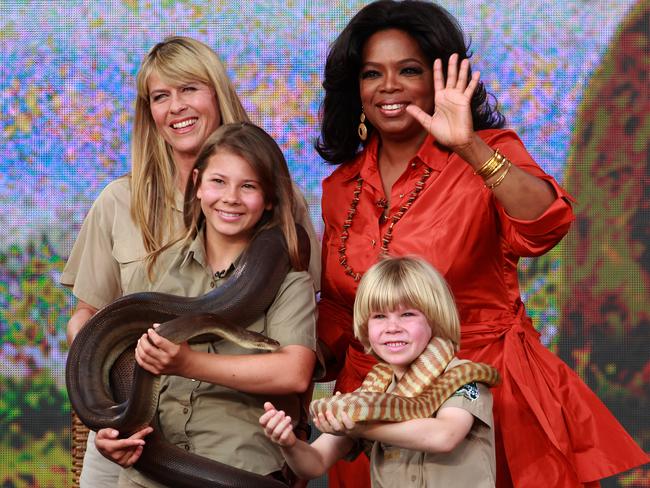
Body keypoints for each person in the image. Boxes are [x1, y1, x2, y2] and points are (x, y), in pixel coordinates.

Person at [315, 1, 649, 487]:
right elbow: (342, 313)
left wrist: (469, 146)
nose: (388, 86)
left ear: (439, 81)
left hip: (485, 392)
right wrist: (289, 368)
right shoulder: (339, 187)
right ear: (356, 88)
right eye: (372, 73)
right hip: (376, 405)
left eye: (408, 70)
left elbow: (546, 226)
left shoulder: (485, 152)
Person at [62, 36, 320, 488]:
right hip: (129, 432)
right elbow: (88, 316)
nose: (177, 107)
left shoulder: (280, 209)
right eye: (162, 96)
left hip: (231, 443)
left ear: (217, 93)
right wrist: (110, 394)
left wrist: (293, 438)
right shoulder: (121, 202)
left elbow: (296, 331)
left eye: (190, 89)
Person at [261, 256, 496, 487]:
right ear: (365, 326)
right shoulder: (371, 393)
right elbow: (315, 463)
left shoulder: (464, 378)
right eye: (380, 316)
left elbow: (445, 436)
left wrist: (364, 427)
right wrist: (288, 443)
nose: (392, 328)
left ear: (434, 320)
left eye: (407, 314)